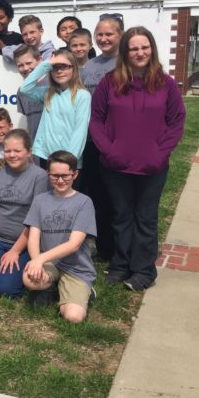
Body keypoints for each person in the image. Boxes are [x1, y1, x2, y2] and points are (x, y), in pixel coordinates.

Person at [89, 27, 185, 291]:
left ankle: (143, 270)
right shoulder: (110, 82)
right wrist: (108, 149)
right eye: (134, 48)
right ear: (125, 52)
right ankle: (121, 265)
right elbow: (96, 119)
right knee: (120, 216)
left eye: (144, 47)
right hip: (115, 165)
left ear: (151, 49)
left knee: (145, 218)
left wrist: (160, 152)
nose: (140, 53)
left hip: (152, 167)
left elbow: (177, 121)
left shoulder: (165, 84)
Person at [23, 151, 97, 323]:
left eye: (65, 175)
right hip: (50, 263)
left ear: (75, 174)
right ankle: (49, 288)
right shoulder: (40, 200)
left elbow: (74, 245)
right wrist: (37, 261)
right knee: (29, 280)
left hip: (76, 267)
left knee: (74, 317)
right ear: (48, 174)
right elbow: (33, 237)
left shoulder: (84, 202)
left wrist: (40, 259)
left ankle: (84, 290)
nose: (60, 180)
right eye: (55, 176)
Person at [0, 129, 48, 297]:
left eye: (17, 151)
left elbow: (36, 220)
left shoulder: (40, 176)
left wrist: (15, 251)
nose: (12, 155)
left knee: (6, 290)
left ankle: (21, 267)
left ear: (29, 152)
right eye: (7, 151)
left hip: (25, 243)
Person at [80, 14, 124, 261]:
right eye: (100, 34)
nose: (104, 38)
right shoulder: (91, 67)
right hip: (91, 143)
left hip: (118, 142)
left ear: (120, 35)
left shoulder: (126, 63)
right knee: (97, 196)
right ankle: (105, 248)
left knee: (118, 198)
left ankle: (121, 249)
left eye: (109, 34)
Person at [19, 49, 90, 172]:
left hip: (68, 160)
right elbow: (25, 89)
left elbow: (80, 131)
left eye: (64, 67)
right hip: (46, 156)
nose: (59, 71)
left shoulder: (82, 95)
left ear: (73, 68)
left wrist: (68, 161)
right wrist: (47, 64)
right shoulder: (48, 93)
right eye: (55, 67)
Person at [13, 45, 45, 145]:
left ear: (40, 60)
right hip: (34, 148)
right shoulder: (21, 92)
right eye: (20, 65)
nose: (25, 68)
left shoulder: (54, 84)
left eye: (29, 63)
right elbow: (29, 122)